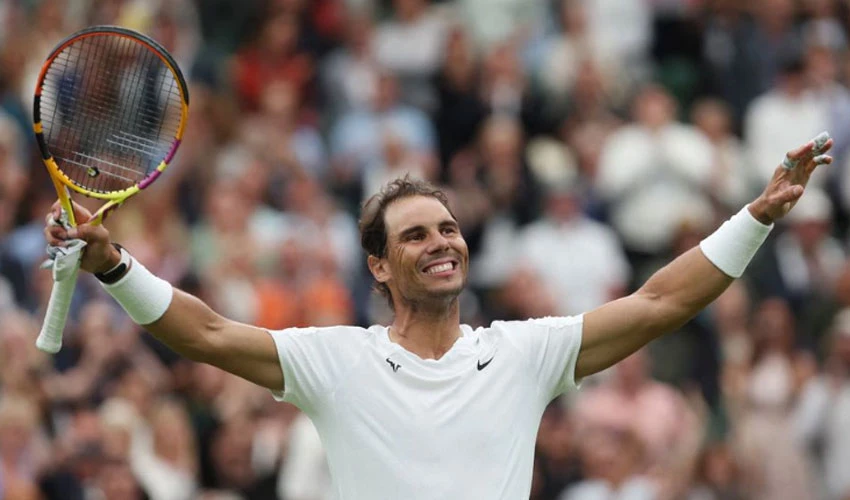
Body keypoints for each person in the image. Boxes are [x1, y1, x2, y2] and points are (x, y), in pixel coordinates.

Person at [43, 133, 834, 499]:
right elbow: (206, 334)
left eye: (448, 228)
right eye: (415, 234)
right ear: (380, 267)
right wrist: (115, 264)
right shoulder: (336, 361)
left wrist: (755, 217)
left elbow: (662, 301)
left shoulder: (524, 353)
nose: (441, 242)